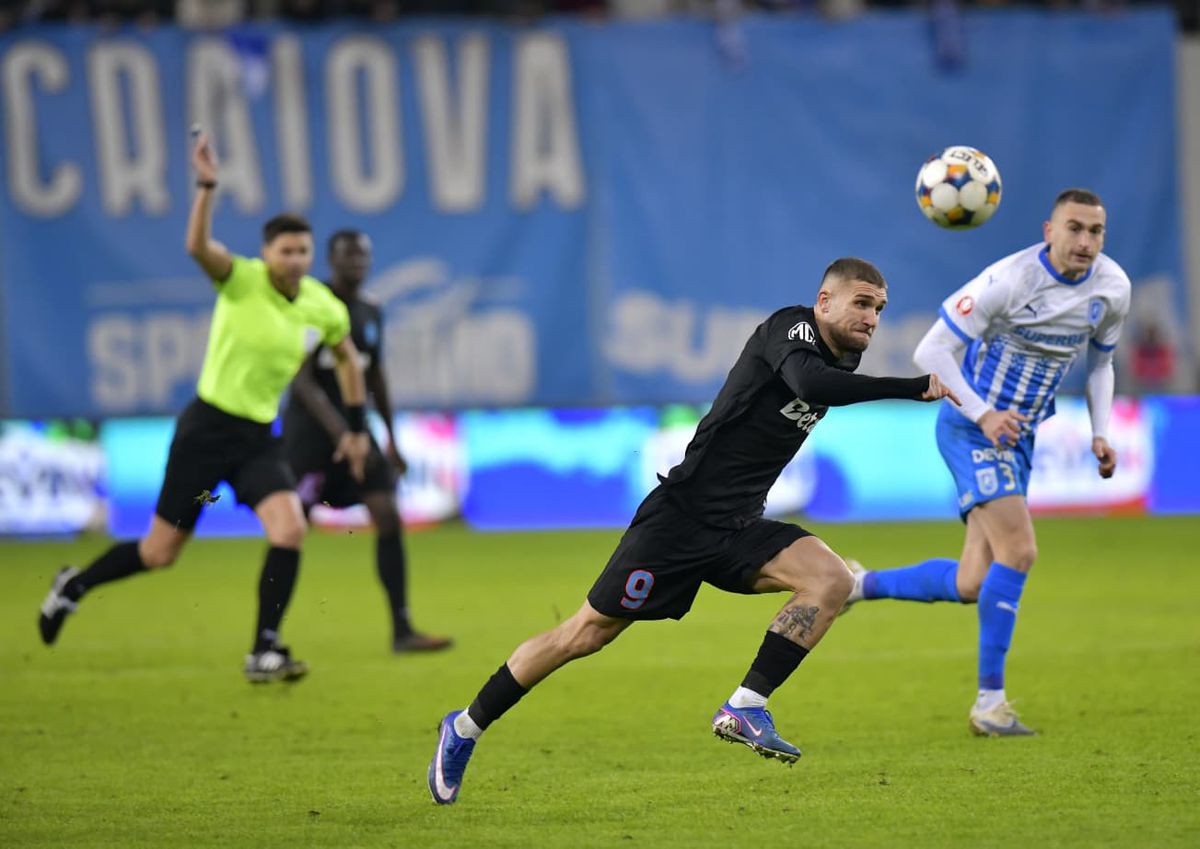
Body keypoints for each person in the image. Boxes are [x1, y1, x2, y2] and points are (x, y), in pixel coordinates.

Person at [427, 257, 961, 805]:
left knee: (831, 580)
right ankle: (464, 727)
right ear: (824, 301)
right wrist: (909, 386)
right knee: (585, 635)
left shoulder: (843, 358)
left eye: (880, 309)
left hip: (739, 526)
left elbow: (824, 382)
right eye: (862, 303)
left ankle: (746, 705)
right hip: (680, 519)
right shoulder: (792, 327)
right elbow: (807, 381)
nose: (872, 318)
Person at [37, 131, 371, 684]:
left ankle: (264, 650)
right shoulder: (241, 280)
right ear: (266, 253)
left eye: (302, 252)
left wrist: (356, 428)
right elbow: (197, 247)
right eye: (285, 251)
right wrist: (207, 187)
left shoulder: (322, 305)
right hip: (206, 433)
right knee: (160, 552)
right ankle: (74, 585)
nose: (294, 260)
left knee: (289, 527)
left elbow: (349, 360)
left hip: (258, 438)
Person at [842, 189, 1131, 737]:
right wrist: (984, 413)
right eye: (1074, 228)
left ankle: (857, 584)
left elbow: (1101, 363)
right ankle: (990, 705)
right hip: (972, 427)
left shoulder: (1112, 288)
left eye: (1096, 231)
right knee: (1019, 551)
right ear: (1049, 231)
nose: (1085, 241)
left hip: (1018, 434)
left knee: (974, 580)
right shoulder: (1009, 281)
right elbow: (930, 352)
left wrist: (1100, 432)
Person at [283, 229, 452, 654]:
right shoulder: (313, 305)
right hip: (310, 436)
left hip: (357, 431)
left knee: (388, 516)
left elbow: (375, 376)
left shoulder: (371, 310)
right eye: (348, 256)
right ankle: (269, 635)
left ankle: (402, 629)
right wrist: (342, 434)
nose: (357, 263)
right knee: (289, 529)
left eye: (363, 256)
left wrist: (390, 438)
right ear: (331, 260)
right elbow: (301, 380)